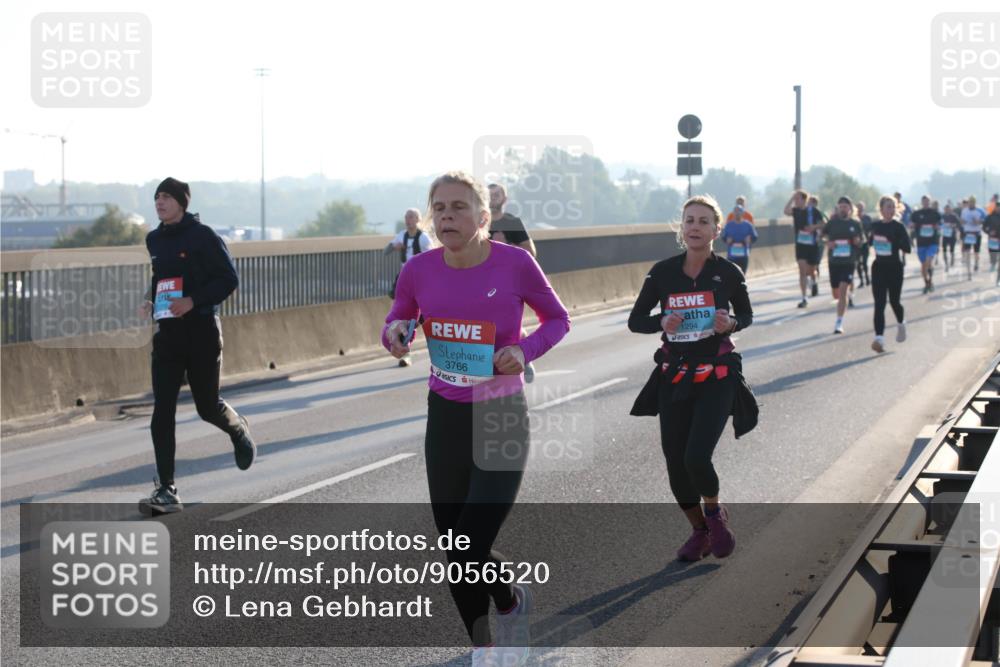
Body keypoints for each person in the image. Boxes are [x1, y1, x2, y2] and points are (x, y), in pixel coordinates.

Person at [383, 172, 570, 666]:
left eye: (459, 207)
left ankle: (509, 603)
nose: (447, 216)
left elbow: (558, 319)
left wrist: (523, 350)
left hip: (500, 414)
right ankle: (485, 645)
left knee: (470, 543)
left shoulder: (515, 264)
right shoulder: (418, 270)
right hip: (444, 415)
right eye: (439, 208)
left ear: (483, 217)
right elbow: (397, 317)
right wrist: (396, 334)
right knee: (454, 547)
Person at [628, 194, 758, 563]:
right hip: (674, 377)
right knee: (675, 462)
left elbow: (746, 316)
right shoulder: (662, 272)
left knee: (697, 457)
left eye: (703, 221)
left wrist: (731, 323)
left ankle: (716, 516)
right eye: (689, 221)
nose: (695, 227)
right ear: (680, 228)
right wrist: (660, 322)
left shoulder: (729, 273)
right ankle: (699, 530)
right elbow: (636, 321)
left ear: (717, 229)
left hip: (717, 377)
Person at [138, 178, 256, 515]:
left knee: (207, 406)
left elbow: (229, 279)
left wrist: (193, 300)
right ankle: (166, 488)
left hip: (202, 331)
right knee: (163, 410)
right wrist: (149, 300)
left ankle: (237, 428)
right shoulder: (154, 238)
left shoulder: (203, 237)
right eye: (156, 197)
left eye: (166, 197)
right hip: (168, 334)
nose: (159, 202)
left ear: (181, 203)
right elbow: (160, 278)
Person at [488, 183, 539, 384]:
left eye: (497, 194)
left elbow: (531, 253)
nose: (493, 198)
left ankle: (522, 355)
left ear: (505, 199)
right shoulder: (478, 223)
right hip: (482, 282)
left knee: (506, 325)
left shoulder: (512, 222)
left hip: (508, 282)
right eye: (489, 194)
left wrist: (507, 246)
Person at [389, 208, 433, 366]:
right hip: (404, 280)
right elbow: (386, 250)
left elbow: (431, 258)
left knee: (421, 318)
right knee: (401, 317)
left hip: (421, 280)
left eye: (412, 217)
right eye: (407, 217)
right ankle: (404, 352)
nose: (409, 220)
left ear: (418, 219)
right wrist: (394, 247)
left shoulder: (423, 238)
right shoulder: (401, 235)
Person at [870, 195, 912, 353]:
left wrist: (894, 240)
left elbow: (908, 249)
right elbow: (867, 242)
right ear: (881, 209)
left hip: (894, 268)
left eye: (893, 207)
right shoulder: (875, 226)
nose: (891, 210)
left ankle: (901, 323)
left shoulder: (898, 227)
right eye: (888, 207)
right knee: (879, 303)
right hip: (879, 267)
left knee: (894, 301)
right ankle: (879, 338)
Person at [822, 197, 863, 333]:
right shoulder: (832, 223)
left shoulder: (855, 224)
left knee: (843, 289)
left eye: (845, 207)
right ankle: (846, 296)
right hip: (834, 261)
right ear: (838, 208)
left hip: (849, 261)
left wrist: (858, 242)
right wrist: (828, 243)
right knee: (836, 293)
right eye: (841, 207)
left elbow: (862, 241)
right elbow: (821, 236)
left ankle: (839, 322)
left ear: (850, 209)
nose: (843, 209)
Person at [784, 190, 824, 307]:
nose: (795, 201)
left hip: (812, 245)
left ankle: (814, 280)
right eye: (795, 199)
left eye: (797, 199)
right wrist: (792, 197)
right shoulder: (796, 211)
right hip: (800, 245)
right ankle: (804, 298)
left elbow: (823, 224)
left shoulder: (813, 211)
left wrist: (813, 227)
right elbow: (786, 211)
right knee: (802, 271)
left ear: (804, 199)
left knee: (811, 270)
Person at [910, 195, 941, 293]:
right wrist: (912, 226)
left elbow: (941, 223)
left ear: (930, 202)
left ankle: (930, 280)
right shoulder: (916, 214)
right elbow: (911, 224)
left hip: (932, 242)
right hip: (921, 242)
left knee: (928, 260)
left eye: (927, 201)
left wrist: (938, 227)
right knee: (923, 265)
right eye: (924, 201)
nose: (926, 203)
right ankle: (927, 282)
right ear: (922, 202)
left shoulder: (935, 213)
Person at [721, 203, 759, 274]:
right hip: (732, 256)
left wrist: (749, 239)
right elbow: (723, 237)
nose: (737, 213)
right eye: (735, 211)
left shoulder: (748, 225)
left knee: (742, 276)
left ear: (743, 213)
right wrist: (727, 240)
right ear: (733, 213)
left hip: (744, 255)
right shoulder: (729, 225)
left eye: (739, 211)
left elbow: (755, 237)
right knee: (731, 276)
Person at [961, 195, 987, 278]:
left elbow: (985, 220)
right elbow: (961, 221)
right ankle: (969, 272)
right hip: (968, 233)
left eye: (973, 202)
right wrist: (963, 222)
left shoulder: (980, 210)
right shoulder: (964, 210)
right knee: (967, 252)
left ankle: (976, 263)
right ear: (968, 202)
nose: (971, 204)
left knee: (976, 252)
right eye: (970, 202)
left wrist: (978, 221)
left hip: (976, 233)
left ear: (975, 202)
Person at [855, 201, 873, 287]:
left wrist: (870, 238)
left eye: (861, 207)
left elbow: (872, 229)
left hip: (866, 243)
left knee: (865, 262)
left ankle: (867, 278)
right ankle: (861, 280)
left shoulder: (867, 218)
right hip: (856, 244)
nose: (859, 209)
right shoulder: (854, 219)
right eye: (858, 207)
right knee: (858, 263)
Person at [941, 203, 960, 272]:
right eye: (946, 209)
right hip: (945, 235)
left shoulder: (954, 216)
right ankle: (946, 264)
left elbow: (958, 223)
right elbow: (939, 224)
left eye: (948, 209)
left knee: (952, 249)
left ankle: (952, 258)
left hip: (952, 235)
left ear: (950, 209)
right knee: (944, 250)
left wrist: (953, 225)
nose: (947, 210)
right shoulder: (942, 216)